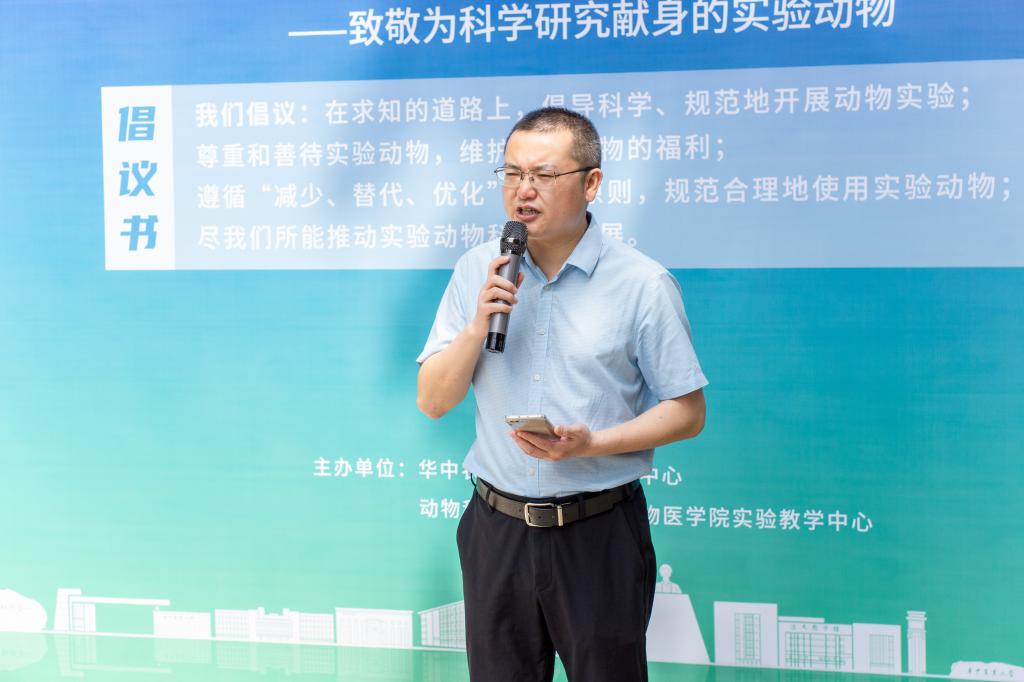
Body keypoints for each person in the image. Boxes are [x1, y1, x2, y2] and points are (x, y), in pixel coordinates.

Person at [416, 107, 707, 682]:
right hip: (495, 527)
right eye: (512, 173)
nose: (523, 190)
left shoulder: (642, 283)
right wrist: (477, 326)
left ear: (591, 183)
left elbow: (687, 411)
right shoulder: (478, 269)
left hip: (597, 532)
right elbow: (433, 401)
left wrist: (591, 444)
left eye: (543, 175)